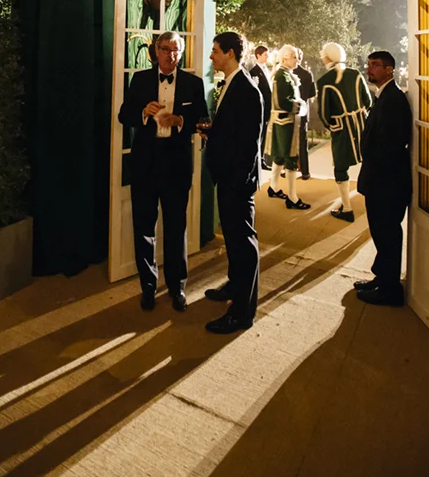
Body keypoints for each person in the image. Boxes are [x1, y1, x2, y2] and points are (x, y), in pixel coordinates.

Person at [118, 30, 207, 312]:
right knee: (144, 227)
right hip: (145, 164)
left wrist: (181, 120)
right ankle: (147, 286)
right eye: (166, 49)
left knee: (176, 227)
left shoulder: (193, 83)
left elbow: (202, 119)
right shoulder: (140, 79)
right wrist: (143, 113)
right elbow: (123, 115)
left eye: (176, 49)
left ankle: (177, 286)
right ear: (156, 51)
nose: (172, 55)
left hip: (176, 165)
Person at [202, 32, 263, 333]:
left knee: (243, 243)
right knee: (233, 240)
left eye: (215, 51)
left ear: (229, 53)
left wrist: (236, 183)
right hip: (227, 176)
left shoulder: (247, 90)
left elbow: (249, 144)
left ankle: (241, 312)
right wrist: (212, 132)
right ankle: (234, 285)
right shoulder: (230, 83)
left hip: (237, 181)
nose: (211, 56)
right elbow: (233, 130)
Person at [355, 50, 413, 307]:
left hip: (386, 181)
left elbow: (391, 142)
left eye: (376, 65)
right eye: (369, 64)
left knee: (388, 234)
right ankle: (381, 277)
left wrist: (376, 173)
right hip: (379, 178)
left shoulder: (393, 99)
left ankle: (390, 289)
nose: (370, 69)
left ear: (389, 69)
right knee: (380, 232)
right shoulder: (384, 96)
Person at [317, 42, 372, 223]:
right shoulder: (355, 74)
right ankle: (374, 202)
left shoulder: (324, 81)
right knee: (368, 161)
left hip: (341, 129)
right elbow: (368, 101)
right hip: (361, 126)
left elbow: (324, 113)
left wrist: (333, 125)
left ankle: (347, 208)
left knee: (341, 168)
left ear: (327, 58)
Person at [265, 44, 310, 210]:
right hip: (285, 122)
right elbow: (282, 102)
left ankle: (274, 187)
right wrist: (301, 106)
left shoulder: (284, 74)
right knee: (290, 157)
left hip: (284, 121)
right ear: (285, 59)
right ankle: (292, 197)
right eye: (294, 57)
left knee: (279, 156)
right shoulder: (282, 76)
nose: (297, 60)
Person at [293, 49, 316, 180]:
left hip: (291, 112)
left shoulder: (289, 73)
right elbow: (312, 94)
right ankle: (305, 171)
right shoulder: (307, 73)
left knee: (290, 142)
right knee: (303, 142)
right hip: (303, 111)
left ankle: (290, 167)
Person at [249, 44, 272, 170]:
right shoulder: (254, 72)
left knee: (264, 134)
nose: (267, 57)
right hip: (261, 108)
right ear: (258, 55)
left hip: (268, 107)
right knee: (260, 134)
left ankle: (262, 158)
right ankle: (258, 159)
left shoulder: (267, 70)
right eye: (265, 54)